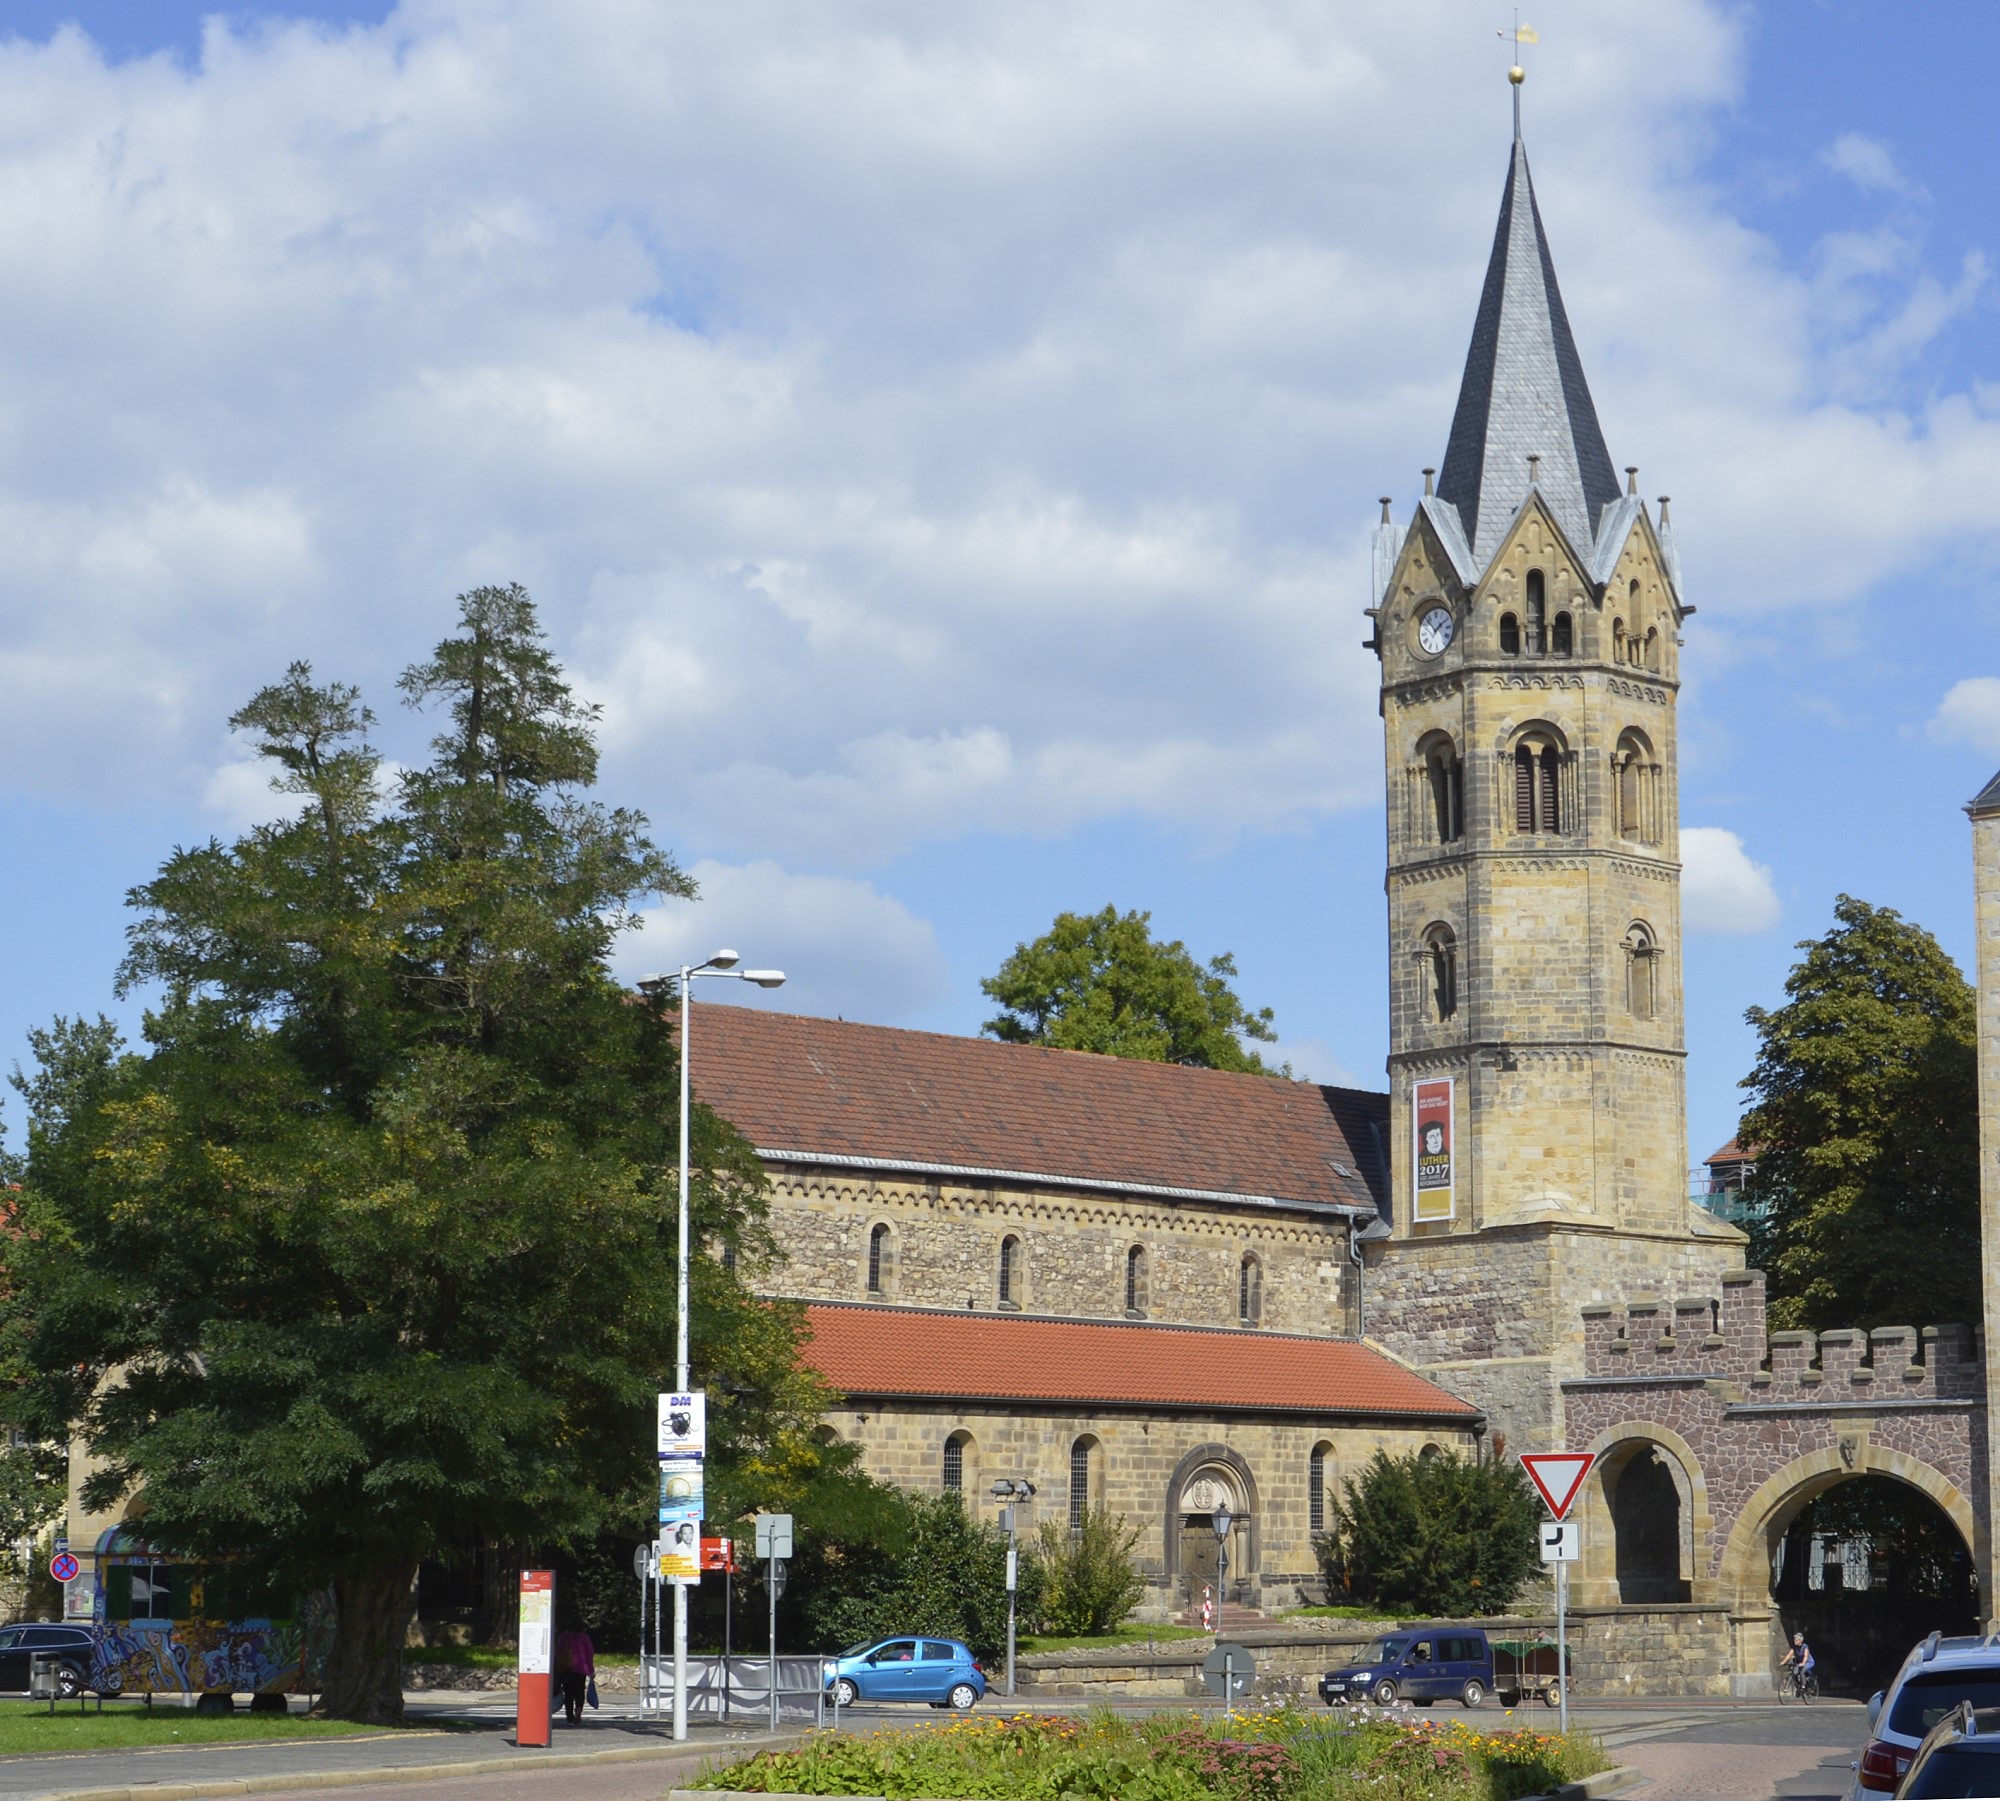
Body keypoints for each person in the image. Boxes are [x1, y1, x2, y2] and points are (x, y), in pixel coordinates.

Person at [553, 1616, 595, 1725]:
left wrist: (555, 1667)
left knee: (568, 1694)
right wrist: (591, 1670)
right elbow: (589, 1653)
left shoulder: (565, 1636)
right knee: (580, 1692)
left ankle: (569, 1716)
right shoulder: (584, 1637)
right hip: (581, 1669)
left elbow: (558, 1651)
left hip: (567, 1668)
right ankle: (578, 1713)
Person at [1778, 1631, 1815, 1696]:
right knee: (1794, 1673)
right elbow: (1789, 1655)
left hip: (1808, 1662)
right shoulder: (1794, 1647)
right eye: (1794, 1639)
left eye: (1796, 1639)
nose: (1794, 1641)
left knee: (1802, 1672)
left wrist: (1803, 1663)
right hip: (1800, 1663)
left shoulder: (1805, 1647)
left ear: (1800, 1641)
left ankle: (1803, 1687)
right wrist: (1783, 1662)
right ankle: (1788, 1687)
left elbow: (1806, 1656)